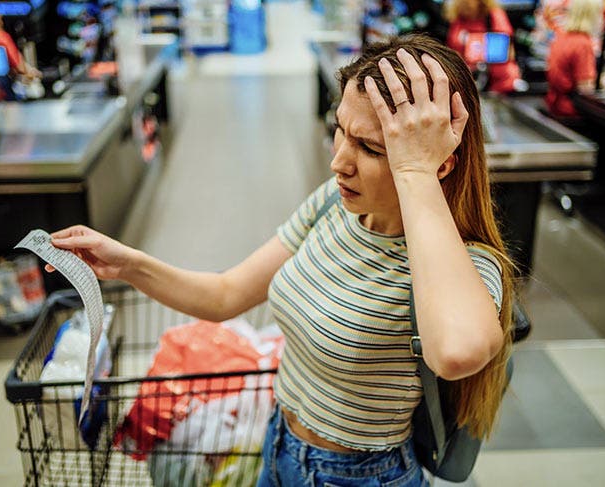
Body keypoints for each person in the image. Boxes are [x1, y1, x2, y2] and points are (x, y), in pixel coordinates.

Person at [47, 34, 515, 486]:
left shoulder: (466, 264)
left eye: (371, 148)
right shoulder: (335, 203)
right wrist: (126, 263)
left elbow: (456, 352)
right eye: (340, 130)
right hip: (280, 446)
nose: (339, 162)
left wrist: (415, 172)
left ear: (438, 163)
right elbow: (226, 294)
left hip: (358, 476)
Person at [545, 0, 605, 118]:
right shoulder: (582, 43)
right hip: (571, 111)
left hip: (555, 106)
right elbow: (585, 90)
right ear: (591, 15)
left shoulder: (561, 35)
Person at [445, 0, 528, 93]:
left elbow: (509, 50)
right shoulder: (458, 19)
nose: (468, 3)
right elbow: (452, 49)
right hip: (468, 81)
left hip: (500, 81)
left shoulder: (494, 15)